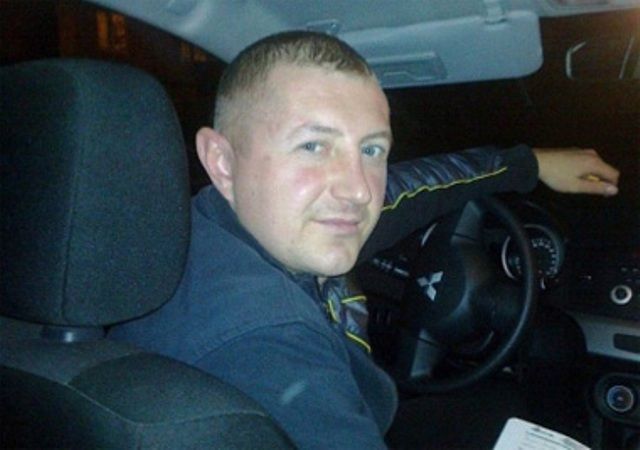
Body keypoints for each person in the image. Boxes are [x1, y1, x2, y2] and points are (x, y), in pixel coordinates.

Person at [110, 31, 619, 449]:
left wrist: (528, 164)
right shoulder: (267, 345)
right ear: (222, 161)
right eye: (313, 146)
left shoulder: (213, 225)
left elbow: (405, 191)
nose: (358, 190)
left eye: (371, 150)